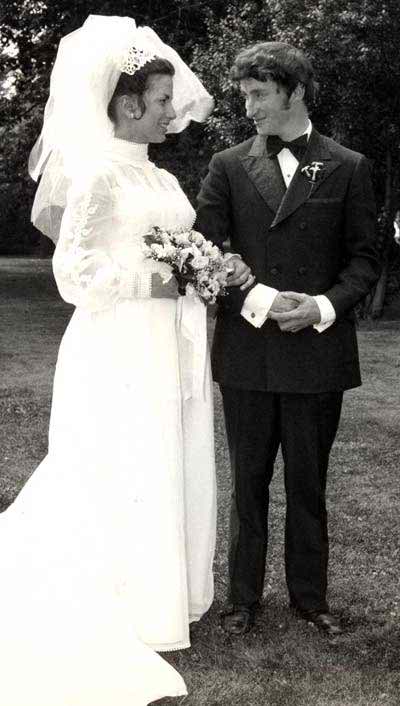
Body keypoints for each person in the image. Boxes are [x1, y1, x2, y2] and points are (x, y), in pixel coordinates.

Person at [0, 15, 217, 705]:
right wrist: (149, 284)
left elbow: (182, 249)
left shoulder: (164, 180)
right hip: (119, 341)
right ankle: (119, 597)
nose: (172, 111)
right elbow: (74, 274)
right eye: (161, 100)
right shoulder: (97, 177)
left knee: (165, 454)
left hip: (170, 342)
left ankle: (164, 594)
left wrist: (203, 269)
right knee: (119, 457)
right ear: (127, 105)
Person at [196, 41, 380, 637]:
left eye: (260, 94)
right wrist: (259, 300)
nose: (249, 108)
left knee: (308, 484)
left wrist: (322, 306)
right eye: (244, 96)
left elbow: (365, 259)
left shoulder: (348, 165)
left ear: (296, 92)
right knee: (247, 482)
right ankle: (241, 599)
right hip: (248, 352)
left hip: (317, 354)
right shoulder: (228, 165)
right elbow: (205, 252)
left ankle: (310, 599)